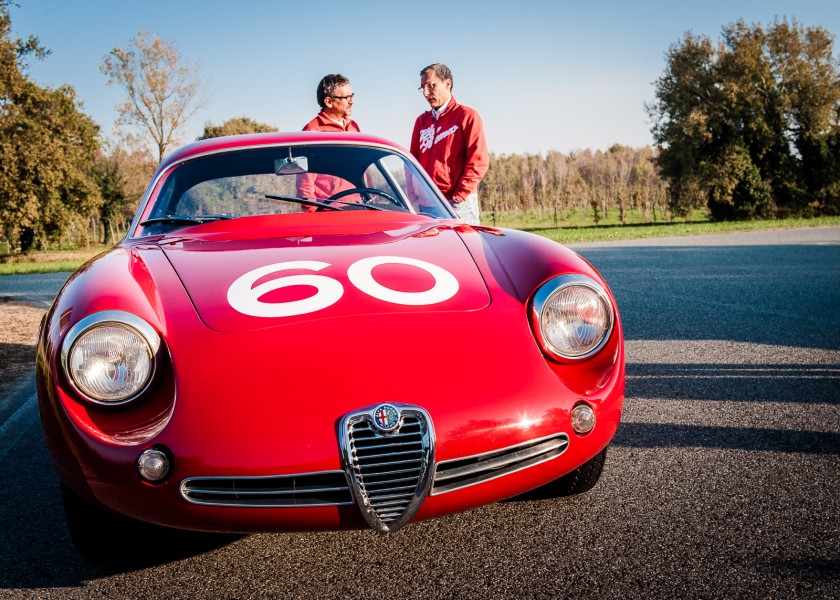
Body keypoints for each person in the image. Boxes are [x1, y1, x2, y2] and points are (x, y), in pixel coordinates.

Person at [410, 63, 489, 225]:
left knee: (464, 250)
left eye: (431, 85)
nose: (426, 93)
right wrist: (413, 197)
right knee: (429, 251)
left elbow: (478, 161)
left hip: (458, 206)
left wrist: (459, 197)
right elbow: (411, 162)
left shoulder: (467, 116)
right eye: (422, 88)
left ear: (447, 83)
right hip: (425, 207)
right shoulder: (421, 122)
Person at [298, 74, 359, 204]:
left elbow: (363, 171)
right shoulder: (312, 131)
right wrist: (314, 216)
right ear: (329, 102)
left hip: (359, 206)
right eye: (347, 97)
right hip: (329, 212)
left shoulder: (353, 127)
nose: (352, 101)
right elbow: (305, 184)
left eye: (352, 96)